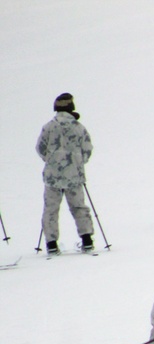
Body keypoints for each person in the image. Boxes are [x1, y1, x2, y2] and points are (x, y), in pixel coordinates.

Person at [35, 93, 95, 255]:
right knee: (78, 207)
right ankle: (87, 239)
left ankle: (52, 243)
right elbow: (88, 149)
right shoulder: (78, 127)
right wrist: (78, 163)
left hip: (52, 176)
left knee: (51, 209)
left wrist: (51, 161)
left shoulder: (48, 127)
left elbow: (40, 148)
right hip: (74, 175)